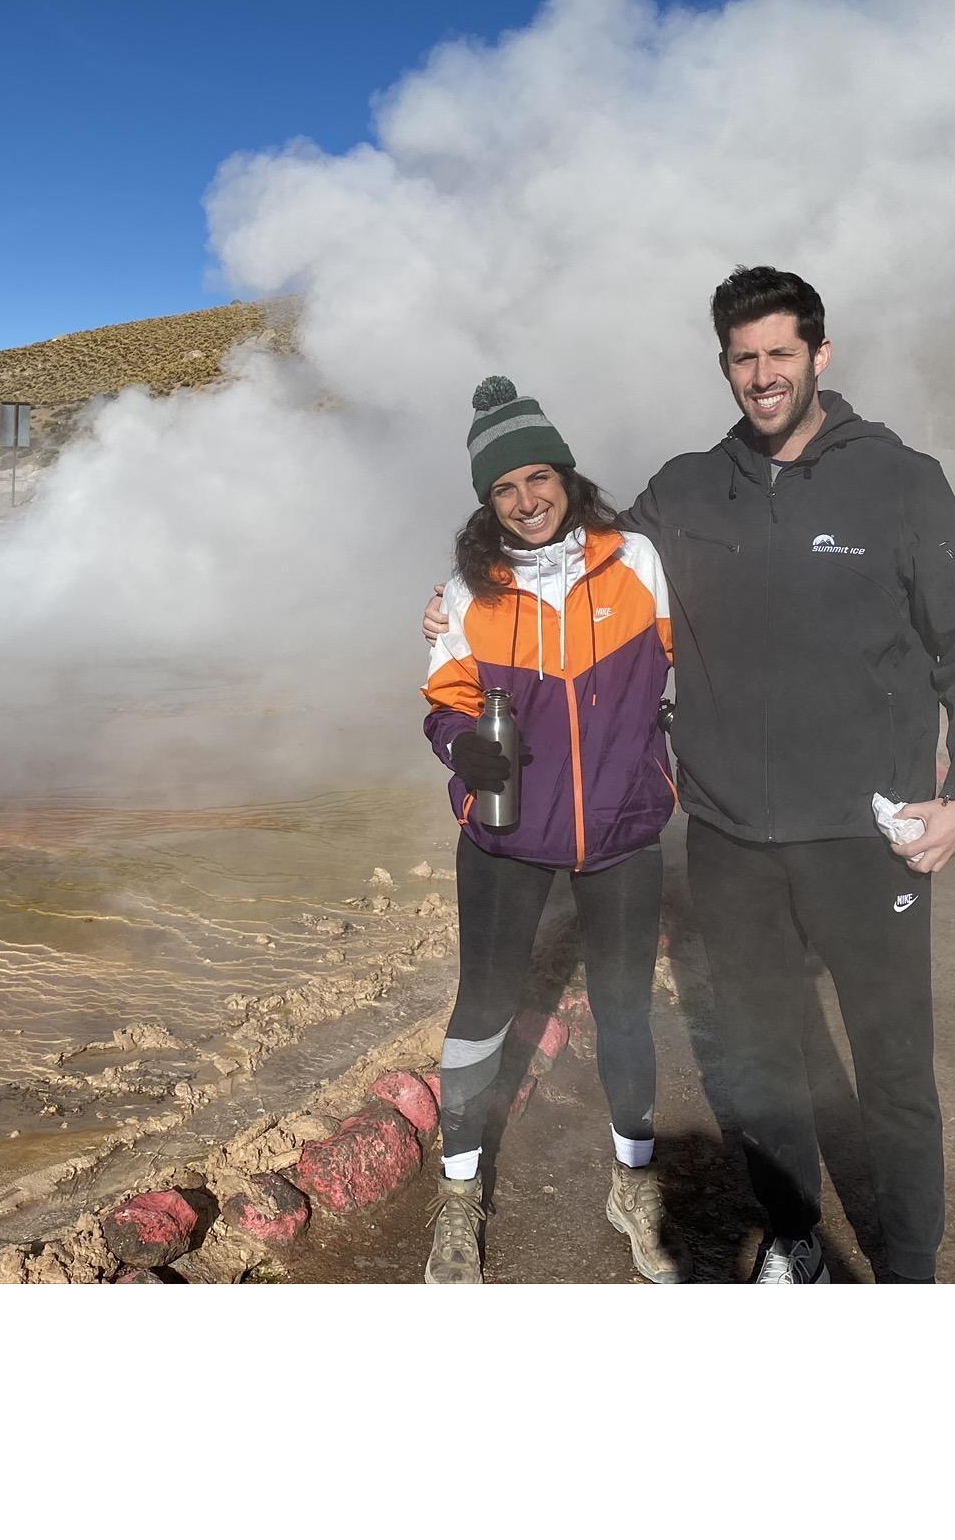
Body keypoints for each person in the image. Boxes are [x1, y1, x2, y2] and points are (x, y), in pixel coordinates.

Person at [426, 268, 955, 1283]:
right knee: (755, 1061)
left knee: (891, 1067)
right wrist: (459, 600)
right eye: (742, 357)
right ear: (723, 366)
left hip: (861, 832)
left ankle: (909, 1264)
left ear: (818, 356)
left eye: (779, 352)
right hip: (732, 838)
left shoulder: (898, 478)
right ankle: (793, 1239)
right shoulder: (689, 488)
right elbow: (575, 558)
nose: (760, 374)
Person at [420, 374, 680, 1286]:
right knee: (482, 1008)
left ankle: (632, 1183)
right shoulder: (467, 593)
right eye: (504, 489)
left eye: (538, 478)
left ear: (567, 477)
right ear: (487, 503)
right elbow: (445, 702)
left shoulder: (639, 564)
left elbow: (708, 663)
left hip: (620, 831)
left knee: (624, 1013)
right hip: (503, 838)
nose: (526, 501)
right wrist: (463, 747)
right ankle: (457, 1197)